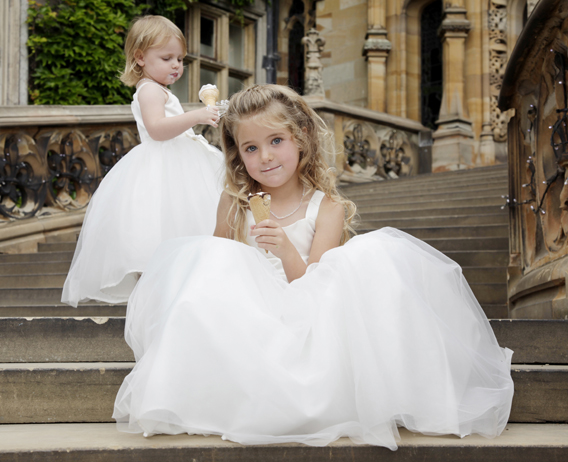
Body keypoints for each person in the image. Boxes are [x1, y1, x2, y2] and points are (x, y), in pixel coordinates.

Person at [113, 84, 514, 450]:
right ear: (237, 153)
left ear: (300, 138)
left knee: (372, 257)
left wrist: (286, 248)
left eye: (275, 141)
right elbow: (214, 282)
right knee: (208, 257)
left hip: (308, 318)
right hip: (249, 320)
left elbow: (319, 289)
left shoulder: (327, 207)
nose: (265, 156)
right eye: (250, 148)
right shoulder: (234, 202)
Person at [62, 16, 225, 307]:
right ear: (139, 57)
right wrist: (197, 116)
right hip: (164, 166)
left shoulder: (159, 90)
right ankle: (163, 299)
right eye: (166, 57)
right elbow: (157, 129)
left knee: (182, 228)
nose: (176, 64)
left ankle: (174, 296)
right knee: (165, 229)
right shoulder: (150, 90)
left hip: (178, 162)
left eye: (179, 58)